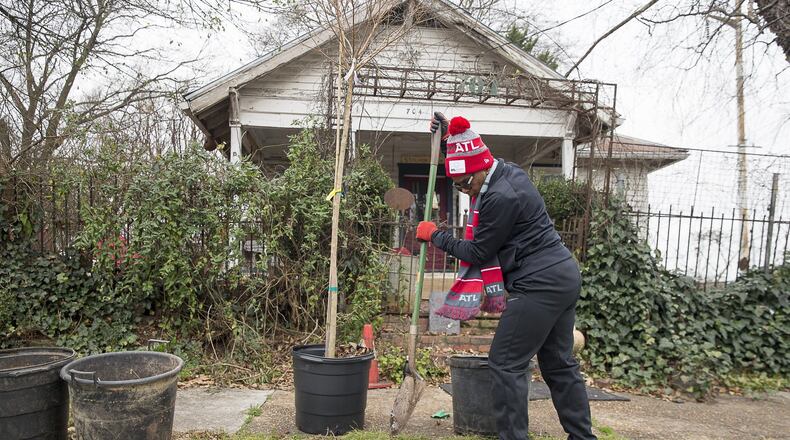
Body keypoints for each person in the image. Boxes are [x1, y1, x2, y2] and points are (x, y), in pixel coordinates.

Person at [416, 112, 597, 440]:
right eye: (457, 186)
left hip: (539, 284)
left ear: (479, 171)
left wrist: (435, 235)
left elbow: (477, 253)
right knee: (558, 364)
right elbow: (468, 160)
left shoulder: (501, 197)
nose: (465, 193)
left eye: (465, 185)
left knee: (505, 363)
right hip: (561, 276)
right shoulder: (504, 170)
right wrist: (447, 142)